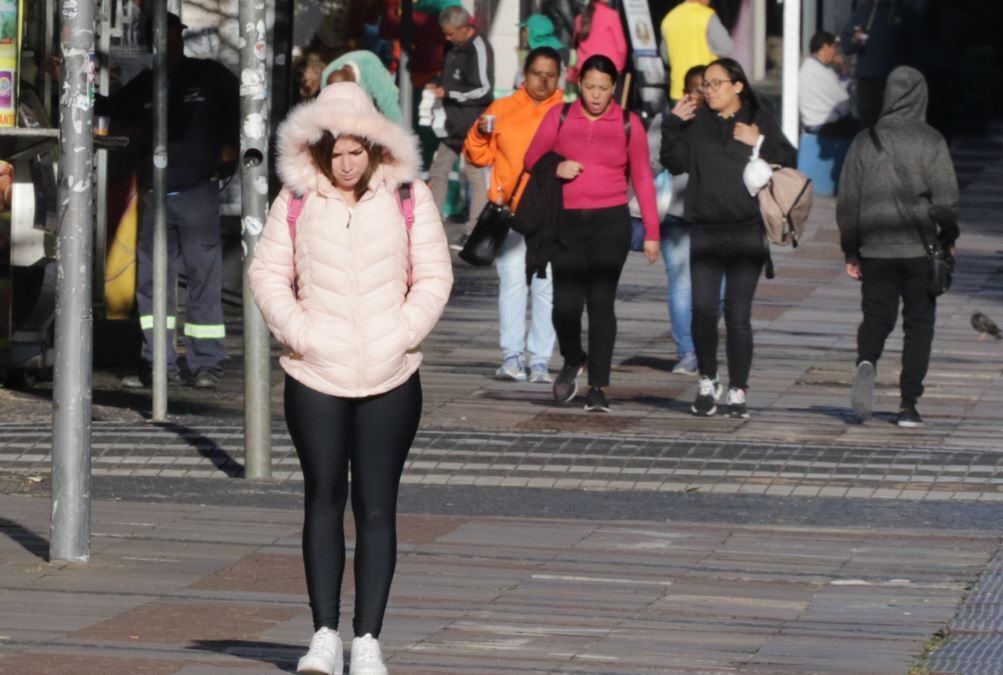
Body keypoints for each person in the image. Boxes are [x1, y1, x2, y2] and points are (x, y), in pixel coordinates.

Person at [248, 82, 453, 675]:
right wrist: (301, 332)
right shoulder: (296, 198)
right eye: (334, 152)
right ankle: (323, 636)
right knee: (323, 498)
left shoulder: (409, 195)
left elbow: (435, 274)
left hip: (392, 373)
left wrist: (403, 331)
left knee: (376, 506)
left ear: (374, 145)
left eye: (355, 151)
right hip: (315, 372)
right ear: (318, 149)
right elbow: (266, 273)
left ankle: (367, 642)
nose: (344, 164)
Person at [98, 12, 239, 389]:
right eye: (164, 37)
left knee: (203, 280)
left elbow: (246, 102)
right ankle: (158, 364)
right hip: (156, 197)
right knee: (154, 284)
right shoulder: (146, 84)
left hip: (197, 193)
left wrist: (232, 144)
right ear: (153, 43)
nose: (171, 43)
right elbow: (108, 107)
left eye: (176, 36)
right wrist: (70, 78)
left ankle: (207, 363)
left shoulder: (208, 76)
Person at [660, 57, 796, 418]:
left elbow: (788, 158)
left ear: (737, 85)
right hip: (705, 229)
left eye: (716, 83)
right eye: (705, 84)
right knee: (703, 310)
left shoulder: (757, 116)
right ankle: (708, 380)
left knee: (737, 314)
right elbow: (675, 163)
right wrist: (673, 124)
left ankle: (738, 389)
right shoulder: (698, 122)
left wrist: (759, 141)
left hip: (746, 231)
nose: (709, 90)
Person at [524, 54, 660, 413]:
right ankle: (573, 357)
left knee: (601, 304)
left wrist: (652, 231)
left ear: (614, 87)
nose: (596, 95)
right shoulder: (560, 115)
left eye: (603, 88)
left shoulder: (629, 123)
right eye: (589, 87)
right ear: (578, 85)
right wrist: (557, 167)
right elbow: (531, 159)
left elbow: (643, 177)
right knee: (564, 307)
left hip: (610, 223)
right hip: (565, 223)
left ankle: (598, 386)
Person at [837, 67, 959, 428]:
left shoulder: (865, 140)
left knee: (877, 317)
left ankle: (867, 360)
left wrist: (851, 251)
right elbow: (945, 201)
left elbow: (848, 203)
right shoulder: (932, 140)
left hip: (875, 248)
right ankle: (908, 405)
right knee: (919, 326)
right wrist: (948, 238)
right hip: (920, 250)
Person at [464, 47, 565, 384]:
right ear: (525, 74)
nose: (544, 81)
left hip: (550, 214)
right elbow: (478, 156)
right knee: (512, 281)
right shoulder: (502, 109)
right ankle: (512, 356)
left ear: (560, 77)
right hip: (509, 211)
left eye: (551, 75)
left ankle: (540, 360)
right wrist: (479, 133)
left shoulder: (566, 114)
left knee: (546, 285)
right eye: (537, 73)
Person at [636, 64, 706, 376]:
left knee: (719, 291)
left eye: (708, 87)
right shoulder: (666, 121)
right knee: (681, 282)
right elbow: (647, 166)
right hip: (677, 215)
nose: (701, 95)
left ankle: (701, 340)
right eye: (695, 89)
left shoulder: (725, 122)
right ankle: (687, 351)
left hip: (717, 217)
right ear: (684, 92)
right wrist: (673, 127)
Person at [426, 5, 494, 243]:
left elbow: (484, 89)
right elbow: (447, 76)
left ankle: (474, 230)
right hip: (451, 124)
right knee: (439, 170)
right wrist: (437, 84)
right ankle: (432, 226)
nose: (447, 38)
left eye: (450, 33)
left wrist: (450, 92)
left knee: (475, 175)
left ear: (465, 28)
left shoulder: (479, 47)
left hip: (473, 123)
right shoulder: (452, 46)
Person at [840, 0, 917, 128]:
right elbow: (846, 46)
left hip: (896, 83)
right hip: (868, 83)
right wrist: (856, 39)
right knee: (868, 128)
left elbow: (915, 49)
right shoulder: (864, 10)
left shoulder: (905, 11)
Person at [660, 0, 733, 103]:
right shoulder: (707, 16)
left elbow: (665, 57)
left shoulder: (669, 19)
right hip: (705, 91)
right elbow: (726, 48)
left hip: (679, 92)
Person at [799, 31, 858, 138]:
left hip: (812, 123)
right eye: (834, 47)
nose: (836, 52)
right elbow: (844, 101)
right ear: (825, 47)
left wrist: (841, 68)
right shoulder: (821, 71)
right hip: (823, 125)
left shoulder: (809, 66)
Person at [321, 49, 404, 124]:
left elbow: (389, 104)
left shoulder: (371, 67)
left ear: (354, 86)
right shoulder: (326, 77)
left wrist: (399, 132)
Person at [568, 0, 628, 83]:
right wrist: (619, 68)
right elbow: (621, 47)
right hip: (607, 70)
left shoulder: (580, 18)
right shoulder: (612, 16)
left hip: (585, 70)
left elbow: (575, 47)